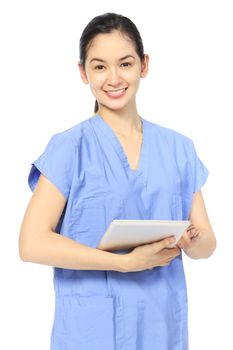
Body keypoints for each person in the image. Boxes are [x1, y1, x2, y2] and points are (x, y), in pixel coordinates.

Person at [19, 12, 217, 350]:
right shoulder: (70, 147)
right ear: (83, 72)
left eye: (125, 64)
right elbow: (31, 243)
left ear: (144, 65)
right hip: (91, 329)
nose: (113, 78)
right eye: (99, 67)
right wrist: (124, 263)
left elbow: (207, 245)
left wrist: (191, 241)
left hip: (162, 324)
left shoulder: (178, 148)